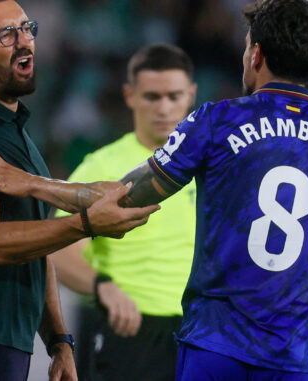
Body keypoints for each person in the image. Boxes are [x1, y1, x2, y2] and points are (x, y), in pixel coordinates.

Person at [0, 0, 308, 379]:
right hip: (296, 359)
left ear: (256, 54)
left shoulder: (218, 122)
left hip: (214, 350)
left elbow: (123, 197)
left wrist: (31, 183)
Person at [0, 1, 159, 380]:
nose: (25, 42)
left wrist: (59, 341)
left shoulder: (13, 131)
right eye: (5, 34)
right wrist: (85, 224)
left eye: (27, 28)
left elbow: (39, 247)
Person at [51, 43, 197, 381]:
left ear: (191, 94)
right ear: (130, 95)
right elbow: (60, 249)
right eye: (152, 96)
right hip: (128, 329)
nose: (164, 107)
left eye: (174, 96)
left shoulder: (210, 167)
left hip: (200, 331)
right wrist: (102, 286)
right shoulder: (102, 166)